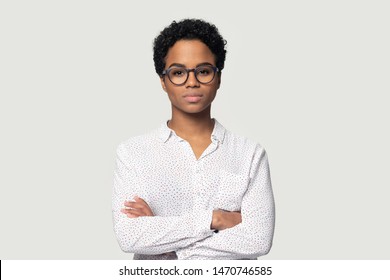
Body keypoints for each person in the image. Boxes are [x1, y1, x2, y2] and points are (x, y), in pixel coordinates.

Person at [112, 18, 275, 260]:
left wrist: (165, 240)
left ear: (218, 78)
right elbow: (129, 236)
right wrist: (215, 219)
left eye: (204, 71)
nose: (192, 81)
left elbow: (258, 240)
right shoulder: (133, 153)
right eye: (178, 72)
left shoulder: (249, 154)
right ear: (163, 81)